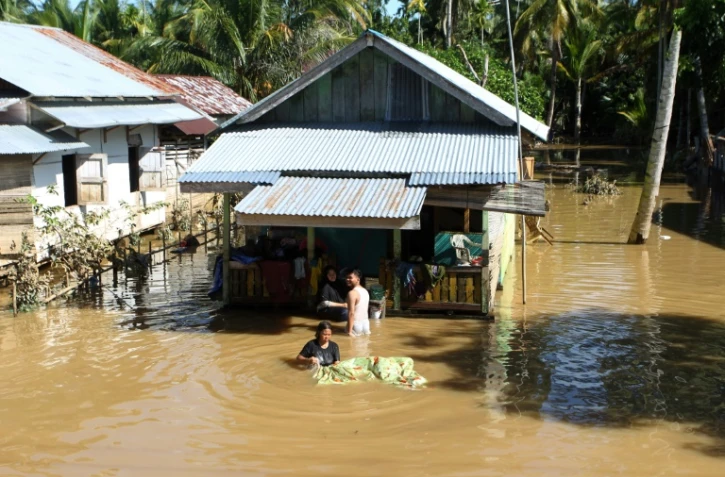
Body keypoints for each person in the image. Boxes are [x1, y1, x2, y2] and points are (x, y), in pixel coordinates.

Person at [345, 268, 370, 336]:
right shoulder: (365, 291)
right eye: (347, 277)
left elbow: (351, 313)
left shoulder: (352, 293)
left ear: (358, 279)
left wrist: (349, 332)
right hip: (366, 325)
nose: (347, 279)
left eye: (350, 278)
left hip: (356, 325)